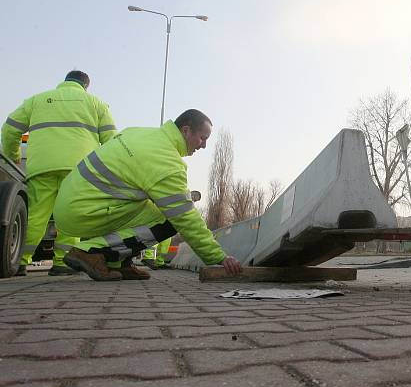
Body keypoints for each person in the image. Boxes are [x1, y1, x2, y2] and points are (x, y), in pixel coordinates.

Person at [53, 109, 242, 281]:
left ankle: (118, 263)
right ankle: (91, 252)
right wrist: (218, 257)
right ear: (185, 131)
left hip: (71, 202)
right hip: (83, 211)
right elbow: (186, 218)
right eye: (202, 138)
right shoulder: (166, 161)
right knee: (169, 219)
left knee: (150, 208)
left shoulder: (139, 132)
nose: (204, 146)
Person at [1, 70, 116, 276]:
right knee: (71, 214)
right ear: (85, 86)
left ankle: (19, 261)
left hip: (42, 166)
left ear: (64, 82)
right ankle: (63, 263)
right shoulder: (96, 104)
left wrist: (13, 154)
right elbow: (111, 141)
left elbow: (9, 129)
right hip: (79, 169)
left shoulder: (37, 100)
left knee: (36, 215)